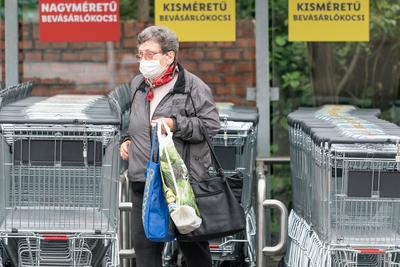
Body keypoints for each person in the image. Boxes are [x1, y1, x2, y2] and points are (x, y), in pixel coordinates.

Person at [119, 25, 220, 267]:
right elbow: (132, 120)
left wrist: (175, 124)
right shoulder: (138, 85)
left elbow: (211, 125)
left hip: (180, 181)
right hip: (144, 178)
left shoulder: (192, 87)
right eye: (140, 54)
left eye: (150, 54)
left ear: (169, 56)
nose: (144, 60)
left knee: (192, 245)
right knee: (145, 248)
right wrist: (126, 139)